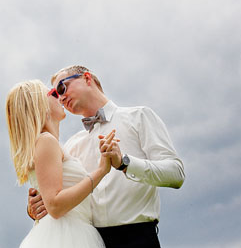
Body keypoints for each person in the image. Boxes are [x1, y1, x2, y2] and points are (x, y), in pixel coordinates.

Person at [28, 65, 185, 248]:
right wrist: (36, 206)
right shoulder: (71, 145)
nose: (61, 98)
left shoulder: (139, 117)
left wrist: (125, 163)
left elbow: (176, 174)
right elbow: (58, 197)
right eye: (55, 94)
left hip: (138, 237)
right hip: (91, 241)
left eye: (62, 88)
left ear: (87, 78)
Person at [6, 79, 118, 248]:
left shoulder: (49, 144)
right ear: (40, 105)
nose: (60, 96)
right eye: (53, 93)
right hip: (66, 235)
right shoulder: (46, 141)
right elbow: (55, 206)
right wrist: (102, 170)